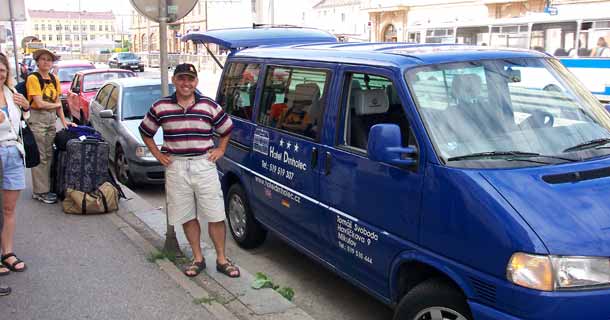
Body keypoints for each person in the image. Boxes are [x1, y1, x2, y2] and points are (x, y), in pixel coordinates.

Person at [139, 63, 240, 278]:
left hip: (204, 164)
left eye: (190, 79)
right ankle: (198, 258)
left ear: (196, 82)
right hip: (175, 166)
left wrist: (221, 149)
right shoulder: (161, 107)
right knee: (186, 215)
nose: (186, 83)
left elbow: (227, 128)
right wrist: (157, 155)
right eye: (182, 79)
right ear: (174, 81)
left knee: (215, 214)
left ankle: (222, 259)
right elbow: (145, 131)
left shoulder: (209, 106)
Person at [0, 51, 32, 288]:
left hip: (13, 152)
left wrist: (26, 108)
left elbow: (23, 123)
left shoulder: (12, 94)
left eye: (2, 70)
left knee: (9, 209)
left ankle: (7, 252)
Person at [27, 49, 74, 204]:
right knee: (41, 156)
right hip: (38, 118)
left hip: (50, 119)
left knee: (48, 155)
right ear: (37, 61)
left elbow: (59, 104)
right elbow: (39, 103)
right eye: (43, 59)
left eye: (49, 59)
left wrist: (64, 121)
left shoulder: (54, 78)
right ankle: (40, 191)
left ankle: (47, 187)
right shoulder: (33, 78)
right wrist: (55, 105)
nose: (46, 62)